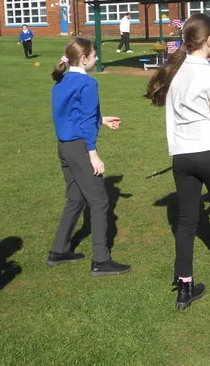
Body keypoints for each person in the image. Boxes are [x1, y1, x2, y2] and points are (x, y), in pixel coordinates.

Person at [144, 14, 210, 310]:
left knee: (186, 222)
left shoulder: (175, 71)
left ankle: (184, 288)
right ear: (208, 40)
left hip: (182, 156)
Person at [49, 38, 130, 277]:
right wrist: (93, 155)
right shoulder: (88, 83)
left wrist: (101, 120)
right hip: (80, 148)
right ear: (83, 59)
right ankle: (101, 260)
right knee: (99, 201)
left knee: (75, 199)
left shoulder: (62, 80)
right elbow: (83, 121)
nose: (96, 59)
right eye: (94, 56)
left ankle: (58, 251)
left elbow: (73, 114)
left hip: (64, 147)